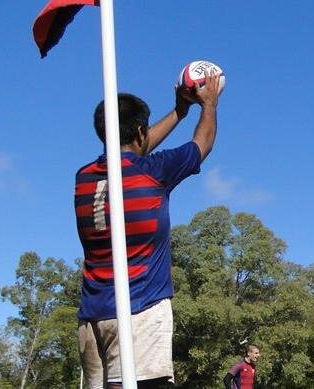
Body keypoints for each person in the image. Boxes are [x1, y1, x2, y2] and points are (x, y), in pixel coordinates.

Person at [75, 70, 222, 389]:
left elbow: (133, 147)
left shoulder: (84, 177)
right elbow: (203, 143)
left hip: (92, 317)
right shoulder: (154, 171)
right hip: (138, 311)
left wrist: (179, 113)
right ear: (141, 131)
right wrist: (208, 105)